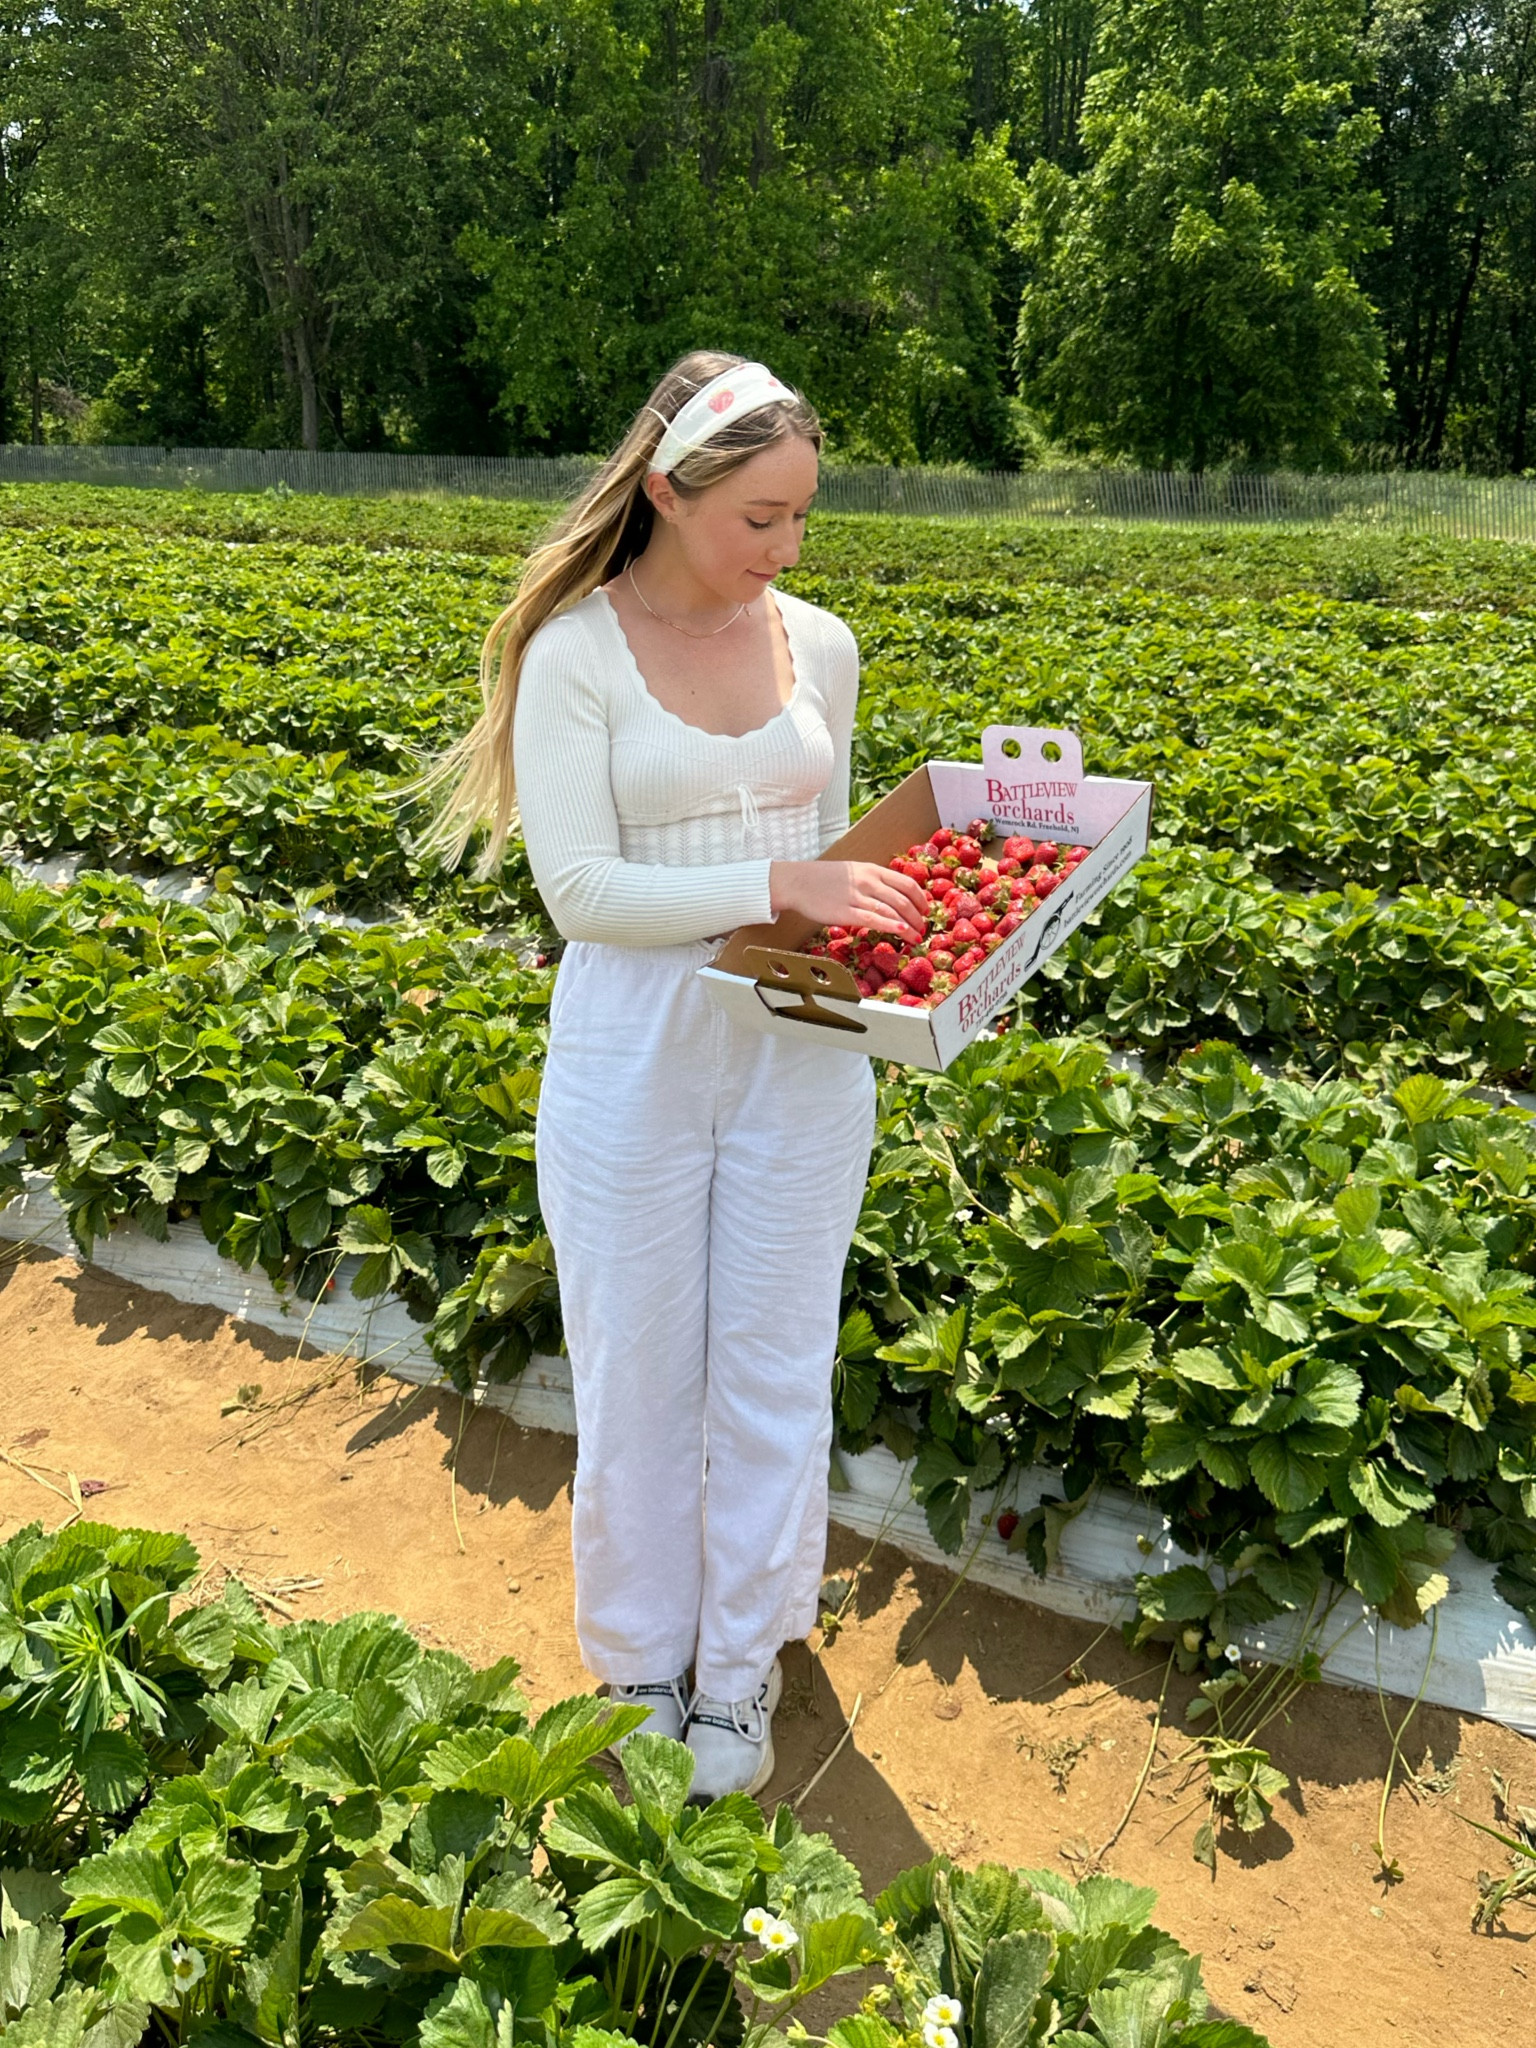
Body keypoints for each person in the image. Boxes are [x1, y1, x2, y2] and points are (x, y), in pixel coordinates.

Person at [411, 351, 928, 1797]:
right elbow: (581, 892)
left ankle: (742, 1663)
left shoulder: (817, 645)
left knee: (772, 1368)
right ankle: (640, 1656)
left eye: (801, 518)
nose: (785, 549)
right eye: (758, 517)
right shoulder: (576, 651)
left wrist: (918, 964)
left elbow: (834, 864)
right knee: (640, 1370)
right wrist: (775, 877)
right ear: (665, 492)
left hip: (798, 1057)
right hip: (634, 1054)